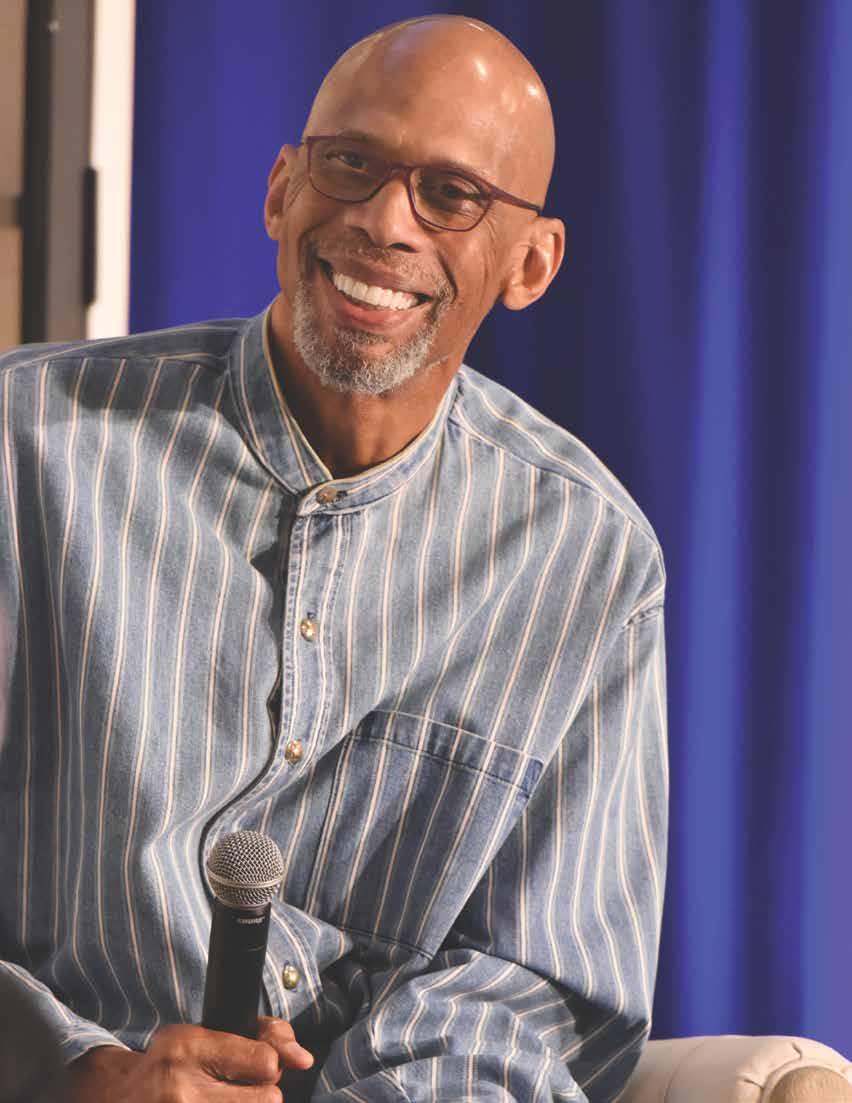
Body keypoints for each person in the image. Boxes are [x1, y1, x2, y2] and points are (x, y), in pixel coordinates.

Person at [0, 15, 667, 1103]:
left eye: (451, 194)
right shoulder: (26, 444)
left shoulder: (588, 557)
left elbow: (538, 983)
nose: (384, 222)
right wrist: (80, 1069)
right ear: (281, 191)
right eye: (351, 164)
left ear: (532, 263)